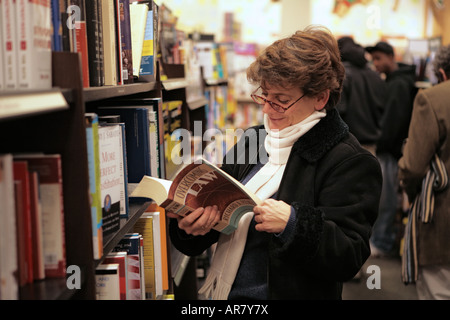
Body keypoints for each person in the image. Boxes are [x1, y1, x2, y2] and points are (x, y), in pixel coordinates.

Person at [168, 25, 382, 300]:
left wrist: (293, 223)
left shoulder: (349, 160)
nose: (267, 109)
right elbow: (217, 213)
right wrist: (192, 226)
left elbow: (349, 255)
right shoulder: (254, 140)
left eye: (281, 101)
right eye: (264, 96)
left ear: (320, 97)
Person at [398, 44, 450, 299]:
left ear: (440, 72)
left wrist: (409, 191)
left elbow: (413, 166)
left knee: (438, 291)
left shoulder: (433, 98)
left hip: (441, 214)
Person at [365, 41, 417, 257]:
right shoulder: (397, 81)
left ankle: (382, 242)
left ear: (390, 57)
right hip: (393, 150)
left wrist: (381, 141)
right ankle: (382, 240)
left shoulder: (398, 84)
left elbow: (393, 122)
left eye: (378, 58)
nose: (375, 64)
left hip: (392, 151)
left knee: (386, 199)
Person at [336, 37, 386, 156]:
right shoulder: (376, 76)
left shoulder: (342, 75)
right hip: (373, 146)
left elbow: (339, 111)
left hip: (347, 147)